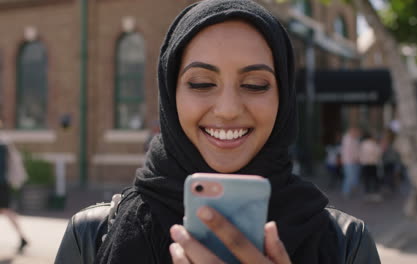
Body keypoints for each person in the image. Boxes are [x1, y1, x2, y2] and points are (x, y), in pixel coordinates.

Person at [55, 1, 380, 263]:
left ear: (283, 97)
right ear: (170, 95)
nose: (227, 109)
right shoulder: (92, 237)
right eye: (201, 83)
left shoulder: (345, 244)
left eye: (255, 85)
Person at [0, 120, 29, 253]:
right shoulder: (5, 143)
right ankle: (22, 237)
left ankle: (22, 237)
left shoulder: (3, 145)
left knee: (6, 210)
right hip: (4, 183)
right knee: (6, 210)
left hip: (2, 183)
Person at [359, 132, 382, 202]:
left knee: (367, 179)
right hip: (372, 163)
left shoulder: (363, 144)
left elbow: (360, 154)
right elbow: (378, 152)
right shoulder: (374, 144)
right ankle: (374, 193)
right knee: (374, 179)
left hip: (366, 164)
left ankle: (368, 193)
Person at [341, 126, 361, 198]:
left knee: (354, 177)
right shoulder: (347, 139)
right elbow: (348, 151)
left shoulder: (354, 139)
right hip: (349, 161)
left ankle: (351, 190)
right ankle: (346, 192)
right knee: (349, 177)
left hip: (354, 161)